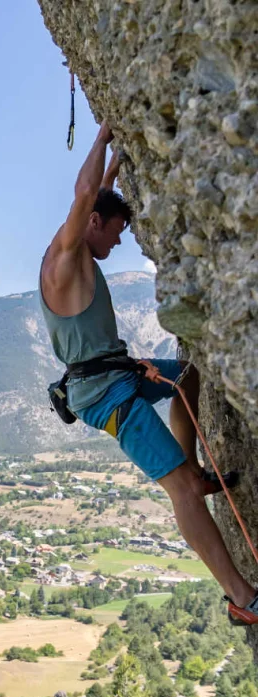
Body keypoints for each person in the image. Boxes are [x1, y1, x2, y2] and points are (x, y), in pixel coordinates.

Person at [39, 120, 258, 626]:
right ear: (91, 223)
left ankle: (193, 471)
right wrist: (102, 139)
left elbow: (97, 198)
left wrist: (113, 170)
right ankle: (241, 598)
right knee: (177, 490)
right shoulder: (66, 259)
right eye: (115, 235)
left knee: (186, 375)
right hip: (104, 395)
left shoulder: (74, 247)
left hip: (115, 371)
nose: (117, 247)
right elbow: (85, 195)